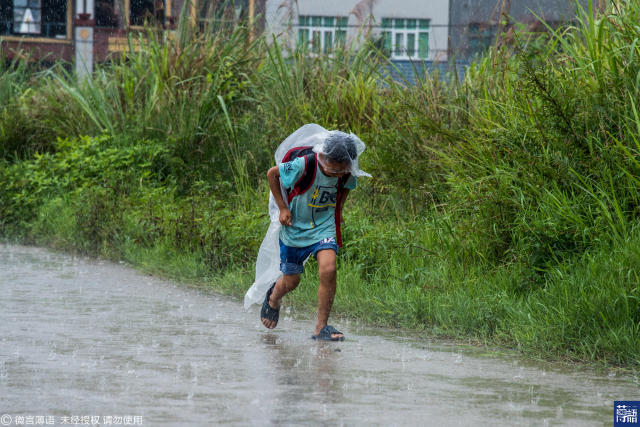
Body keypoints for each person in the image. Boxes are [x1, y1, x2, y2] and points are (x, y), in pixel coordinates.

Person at [260, 131, 360, 341]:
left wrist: (339, 209)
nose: (339, 176)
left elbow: (347, 187)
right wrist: (282, 209)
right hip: (295, 227)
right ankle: (273, 297)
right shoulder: (305, 164)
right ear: (324, 158)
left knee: (329, 267)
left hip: (324, 226)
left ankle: (320, 327)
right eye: (334, 171)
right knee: (291, 281)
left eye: (343, 171)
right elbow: (272, 174)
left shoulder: (346, 172)